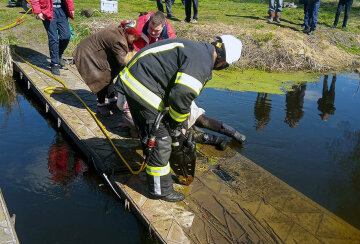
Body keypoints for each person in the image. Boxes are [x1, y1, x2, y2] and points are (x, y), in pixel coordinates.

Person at [114, 35, 242, 202]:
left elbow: (177, 90)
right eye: (225, 65)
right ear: (223, 60)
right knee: (162, 139)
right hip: (143, 87)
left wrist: (179, 123)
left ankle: (153, 163)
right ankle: (160, 190)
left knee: (152, 135)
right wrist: (177, 124)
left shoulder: (199, 50)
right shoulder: (201, 64)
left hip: (137, 80)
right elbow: (181, 96)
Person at [72, 21, 142, 116]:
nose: (136, 40)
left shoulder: (121, 29)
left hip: (97, 50)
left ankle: (112, 99)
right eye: (135, 37)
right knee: (102, 76)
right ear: (128, 33)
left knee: (111, 71)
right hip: (87, 52)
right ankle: (101, 104)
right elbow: (123, 62)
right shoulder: (118, 40)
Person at [117, 98, 246, 150]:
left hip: (171, 111)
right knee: (200, 119)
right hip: (182, 106)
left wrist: (130, 123)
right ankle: (231, 133)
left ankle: (217, 139)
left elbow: (125, 109)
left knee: (177, 133)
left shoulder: (129, 83)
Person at [30, 0, 75, 76]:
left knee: (66, 36)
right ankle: (54, 64)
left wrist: (71, 8)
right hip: (48, 10)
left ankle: (58, 56)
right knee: (53, 39)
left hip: (62, 9)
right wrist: (38, 12)